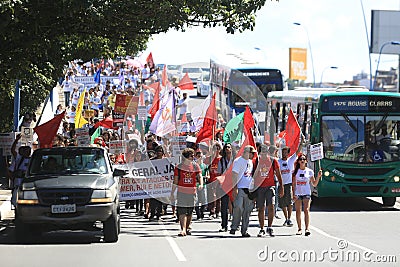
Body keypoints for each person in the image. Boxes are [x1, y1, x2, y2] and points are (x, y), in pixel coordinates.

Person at [170, 148, 203, 237]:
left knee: (190, 211)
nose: (193, 157)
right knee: (182, 211)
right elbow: (175, 181)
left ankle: (187, 227)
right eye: (191, 156)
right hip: (182, 192)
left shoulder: (195, 166)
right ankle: (183, 229)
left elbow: (200, 176)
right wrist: (172, 192)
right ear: (185, 157)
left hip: (192, 192)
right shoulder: (179, 167)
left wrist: (201, 184)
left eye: (193, 155)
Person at [253, 145, 284, 237]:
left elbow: (278, 174)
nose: (263, 154)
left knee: (271, 206)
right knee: (261, 208)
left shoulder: (273, 161)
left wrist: (281, 187)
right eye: (261, 152)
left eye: (264, 152)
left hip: (270, 186)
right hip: (260, 187)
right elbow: (253, 175)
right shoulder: (257, 161)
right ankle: (262, 228)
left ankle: (269, 227)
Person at [292, 153, 322, 236]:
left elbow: (314, 184)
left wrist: (318, 176)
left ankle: (307, 228)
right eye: (300, 159)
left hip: (306, 193)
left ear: (306, 161)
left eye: (303, 159)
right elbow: (293, 184)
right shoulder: (295, 171)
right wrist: (293, 194)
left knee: (306, 210)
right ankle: (299, 229)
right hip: (298, 193)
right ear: (298, 161)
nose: (302, 161)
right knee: (298, 211)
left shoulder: (309, 171)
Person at [230, 145, 256, 237]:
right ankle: (234, 226)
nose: (253, 155)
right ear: (246, 152)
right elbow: (234, 174)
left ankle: (244, 230)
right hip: (240, 187)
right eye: (252, 153)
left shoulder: (251, 162)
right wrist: (235, 188)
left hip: (248, 189)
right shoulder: (238, 161)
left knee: (247, 211)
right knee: (238, 207)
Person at [278, 144, 302, 227]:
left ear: (288, 153)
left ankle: (289, 218)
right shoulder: (278, 162)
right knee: (283, 203)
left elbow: (298, 151)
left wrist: (301, 142)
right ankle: (286, 218)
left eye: (285, 152)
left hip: (289, 184)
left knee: (290, 202)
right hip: (281, 185)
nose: (284, 154)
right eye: (282, 152)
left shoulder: (291, 160)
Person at [8, 134, 31, 207]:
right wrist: (16, 140)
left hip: (28, 183)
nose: (27, 152)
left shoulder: (32, 160)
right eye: (26, 151)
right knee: (16, 201)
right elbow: (12, 150)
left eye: (28, 151)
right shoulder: (19, 158)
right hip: (18, 183)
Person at [217, 143, 234, 232]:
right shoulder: (221, 161)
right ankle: (224, 225)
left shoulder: (235, 160)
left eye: (229, 147)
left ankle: (235, 224)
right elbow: (219, 172)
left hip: (233, 184)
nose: (227, 149)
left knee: (235, 205)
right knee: (224, 205)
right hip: (224, 185)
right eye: (226, 147)